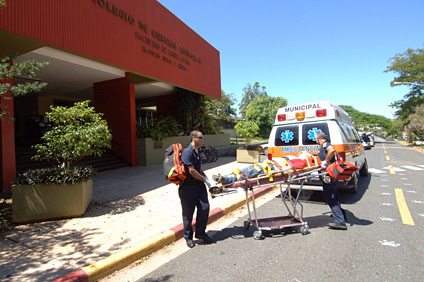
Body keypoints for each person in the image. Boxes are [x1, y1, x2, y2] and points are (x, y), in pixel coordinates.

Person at [179, 130, 215, 248]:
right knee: (188, 214)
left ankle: (200, 233)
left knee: (204, 208)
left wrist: (206, 178)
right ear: (194, 138)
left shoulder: (198, 151)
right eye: (200, 137)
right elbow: (192, 171)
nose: (202, 139)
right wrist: (204, 180)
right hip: (188, 187)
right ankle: (188, 238)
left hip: (199, 186)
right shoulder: (187, 152)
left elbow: (198, 169)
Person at [315, 131, 347, 230]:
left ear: (318, 139)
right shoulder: (325, 145)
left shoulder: (326, 144)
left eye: (316, 139)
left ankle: (340, 222)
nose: (316, 141)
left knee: (330, 197)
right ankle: (340, 215)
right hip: (331, 174)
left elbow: (331, 150)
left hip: (330, 175)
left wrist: (326, 161)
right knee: (333, 195)